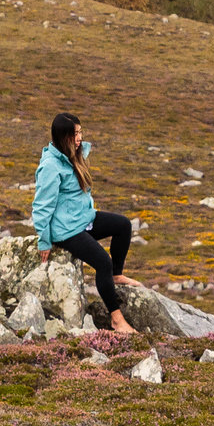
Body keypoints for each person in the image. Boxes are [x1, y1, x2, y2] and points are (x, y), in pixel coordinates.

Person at [33, 112, 133, 334]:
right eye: (75, 134)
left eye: (80, 132)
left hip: (84, 219)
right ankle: (116, 319)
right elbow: (41, 206)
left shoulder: (74, 155)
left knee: (123, 225)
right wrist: (44, 240)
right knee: (102, 262)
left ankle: (116, 275)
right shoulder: (50, 166)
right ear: (64, 136)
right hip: (66, 230)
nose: (80, 137)